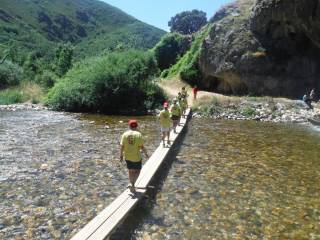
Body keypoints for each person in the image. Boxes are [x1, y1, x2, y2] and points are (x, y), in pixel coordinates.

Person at [120, 120, 149, 192]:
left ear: (129, 126)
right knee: (138, 171)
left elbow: (122, 146)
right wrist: (146, 153)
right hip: (136, 157)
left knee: (130, 171)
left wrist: (121, 155)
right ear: (137, 126)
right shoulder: (138, 134)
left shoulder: (124, 134)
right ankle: (133, 184)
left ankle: (131, 183)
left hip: (127, 157)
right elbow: (141, 146)